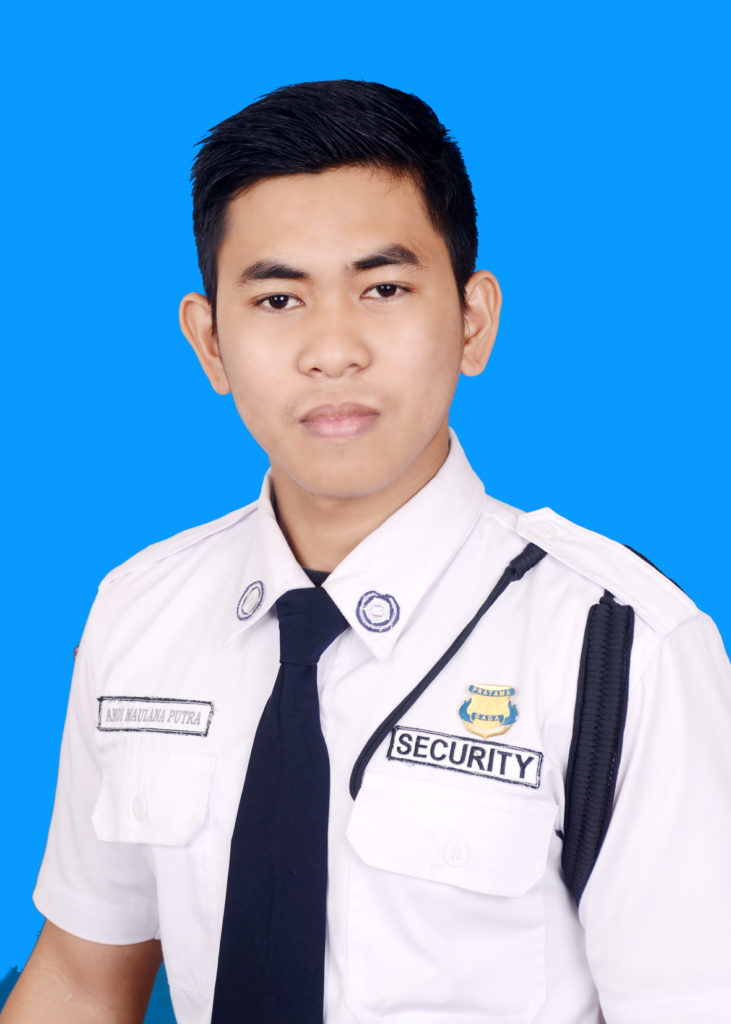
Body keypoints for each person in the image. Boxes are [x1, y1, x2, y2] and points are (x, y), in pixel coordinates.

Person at [3, 80, 730, 1024]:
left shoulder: (621, 647)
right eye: (277, 298)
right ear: (210, 343)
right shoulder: (140, 610)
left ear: (471, 321)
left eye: (383, 289)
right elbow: (80, 979)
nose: (332, 349)